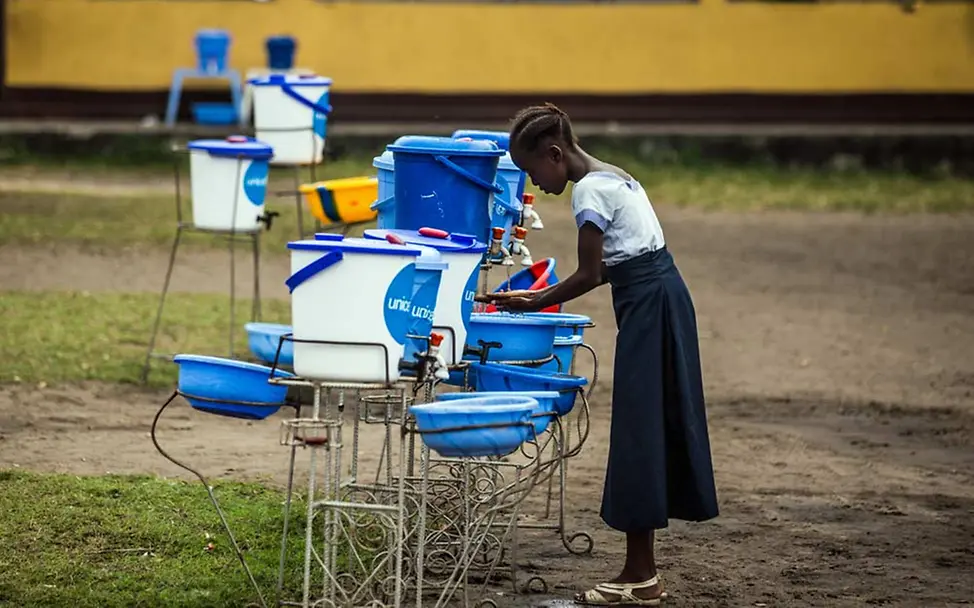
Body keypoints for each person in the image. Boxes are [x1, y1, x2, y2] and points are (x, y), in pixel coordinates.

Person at [482, 103, 720, 606]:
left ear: (553, 153)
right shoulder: (616, 176)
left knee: (639, 431)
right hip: (663, 297)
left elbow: (591, 275)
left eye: (531, 173)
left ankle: (640, 576)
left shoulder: (589, 191)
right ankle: (642, 572)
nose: (534, 186)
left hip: (651, 308)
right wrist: (542, 296)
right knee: (648, 426)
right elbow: (625, 260)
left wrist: (535, 300)